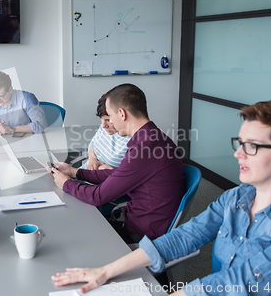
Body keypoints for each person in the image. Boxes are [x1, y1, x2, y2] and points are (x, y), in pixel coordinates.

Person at [51, 100, 271, 295]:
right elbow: (185, 236)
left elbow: (243, 281)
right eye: (239, 143)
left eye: (252, 146)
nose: (238, 154)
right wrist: (105, 271)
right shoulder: (238, 198)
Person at [48, 84, 186, 243]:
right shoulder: (153, 137)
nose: (108, 122)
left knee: (72, 234)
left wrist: (66, 183)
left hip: (141, 236)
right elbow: (119, 175)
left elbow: (98, 196)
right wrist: (74, 172)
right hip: (139, 224)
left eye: (110, 116)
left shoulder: (145, 148)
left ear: (121, 113)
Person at [81, 93, 130, 170]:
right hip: (84, 172)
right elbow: (93, 144)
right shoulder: (106, 128)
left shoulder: (132, 141)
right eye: (102, 119)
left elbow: (126, 175)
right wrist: (92, 160)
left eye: (108, 120)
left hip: (101, 179)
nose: (103, 125)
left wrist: (107, 169)